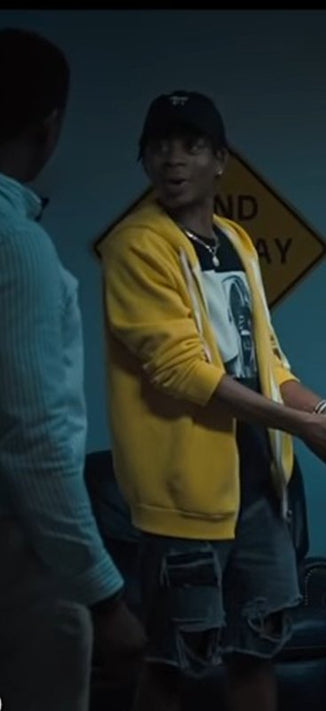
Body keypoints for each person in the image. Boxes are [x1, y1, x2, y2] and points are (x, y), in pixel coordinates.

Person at [97, 89, 326, 711]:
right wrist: (301, 427)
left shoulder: (237, 241)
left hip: (260, 492)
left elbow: (267, 363)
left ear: (220, 160)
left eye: (191, 146)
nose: (173, 160)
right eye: (159, 147)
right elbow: (181, 371)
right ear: (145, 160)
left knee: (257, 654)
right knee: (173, 665)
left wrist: (323, 413)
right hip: (185, 500)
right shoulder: (137, 245)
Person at [0, 27, 145, 711]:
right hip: (23, 554)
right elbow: (33, 441)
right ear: (49, 126)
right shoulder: (17, 246)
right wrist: (105, 598)